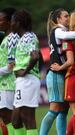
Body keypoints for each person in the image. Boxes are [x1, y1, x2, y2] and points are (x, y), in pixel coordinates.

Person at [40, 8, 75, 135]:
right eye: (65, 16)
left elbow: (66, 45)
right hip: (56, 74)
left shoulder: (64, 33)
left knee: (63, 111)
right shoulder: (58, 30)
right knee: (55, 109)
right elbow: (66, 37)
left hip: (63, 73)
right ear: (58, 19)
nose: (68, 18)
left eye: (68, 15)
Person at [11, 9, 41, 135]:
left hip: (28, 79)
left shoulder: (29, 36)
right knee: (16, 121)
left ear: (18, 23)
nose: (11, 24)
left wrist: (24, 71)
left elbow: (35, 56)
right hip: (22, 81)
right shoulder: (22, 38)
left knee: (28, 118)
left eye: (12, 21)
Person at [0, 7, 19, 135]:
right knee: (6, 118)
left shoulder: (12, 39)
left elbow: (12, 65)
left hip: (9, 83)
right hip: (4, 83)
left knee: (9, 118)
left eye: (0, 20)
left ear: (9, 21)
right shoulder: (7, 38)